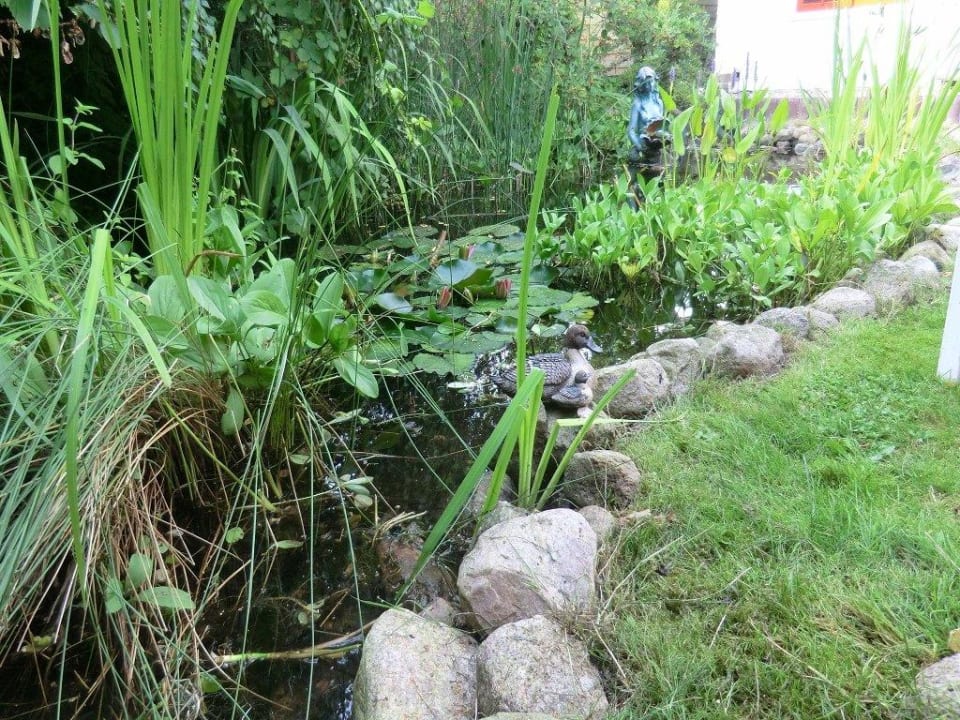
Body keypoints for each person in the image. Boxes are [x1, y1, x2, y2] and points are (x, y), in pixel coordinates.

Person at [626, 66, 670, 202]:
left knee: (659, 183)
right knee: (634, 187)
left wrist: (664, 135)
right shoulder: (637, 104)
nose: (650, 85)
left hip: (656, 147)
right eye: (646, 82)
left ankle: (654, 209)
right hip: (642, 147)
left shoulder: (659, 103)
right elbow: (631, 131)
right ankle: (633, 214)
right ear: (641, 84)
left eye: (652, 81)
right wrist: (640, 146)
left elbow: (660, 124)